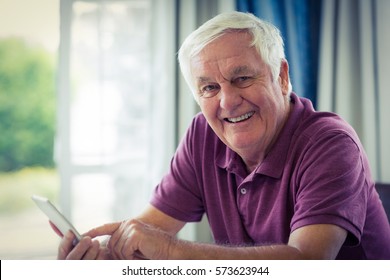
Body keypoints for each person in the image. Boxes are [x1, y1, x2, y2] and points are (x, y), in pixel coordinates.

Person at [56, 11, 390, 260]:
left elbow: (306, 263)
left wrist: (171, 251)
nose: (227, 101)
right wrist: (103, 255)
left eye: (242, 78)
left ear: (282, 76)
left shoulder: (330, 143)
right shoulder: (203, 134)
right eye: (209, 88)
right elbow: (148, 233)